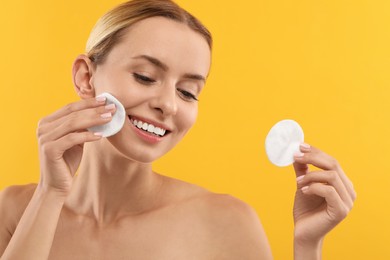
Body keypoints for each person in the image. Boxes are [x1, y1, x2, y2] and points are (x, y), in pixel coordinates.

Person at [0, 0, 356, 259]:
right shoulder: (14, 211)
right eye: (145, 76)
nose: (168, 105)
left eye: (187, 92)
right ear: (86, 77)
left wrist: (308, 247)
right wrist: (50, 194)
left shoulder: (225, 222)